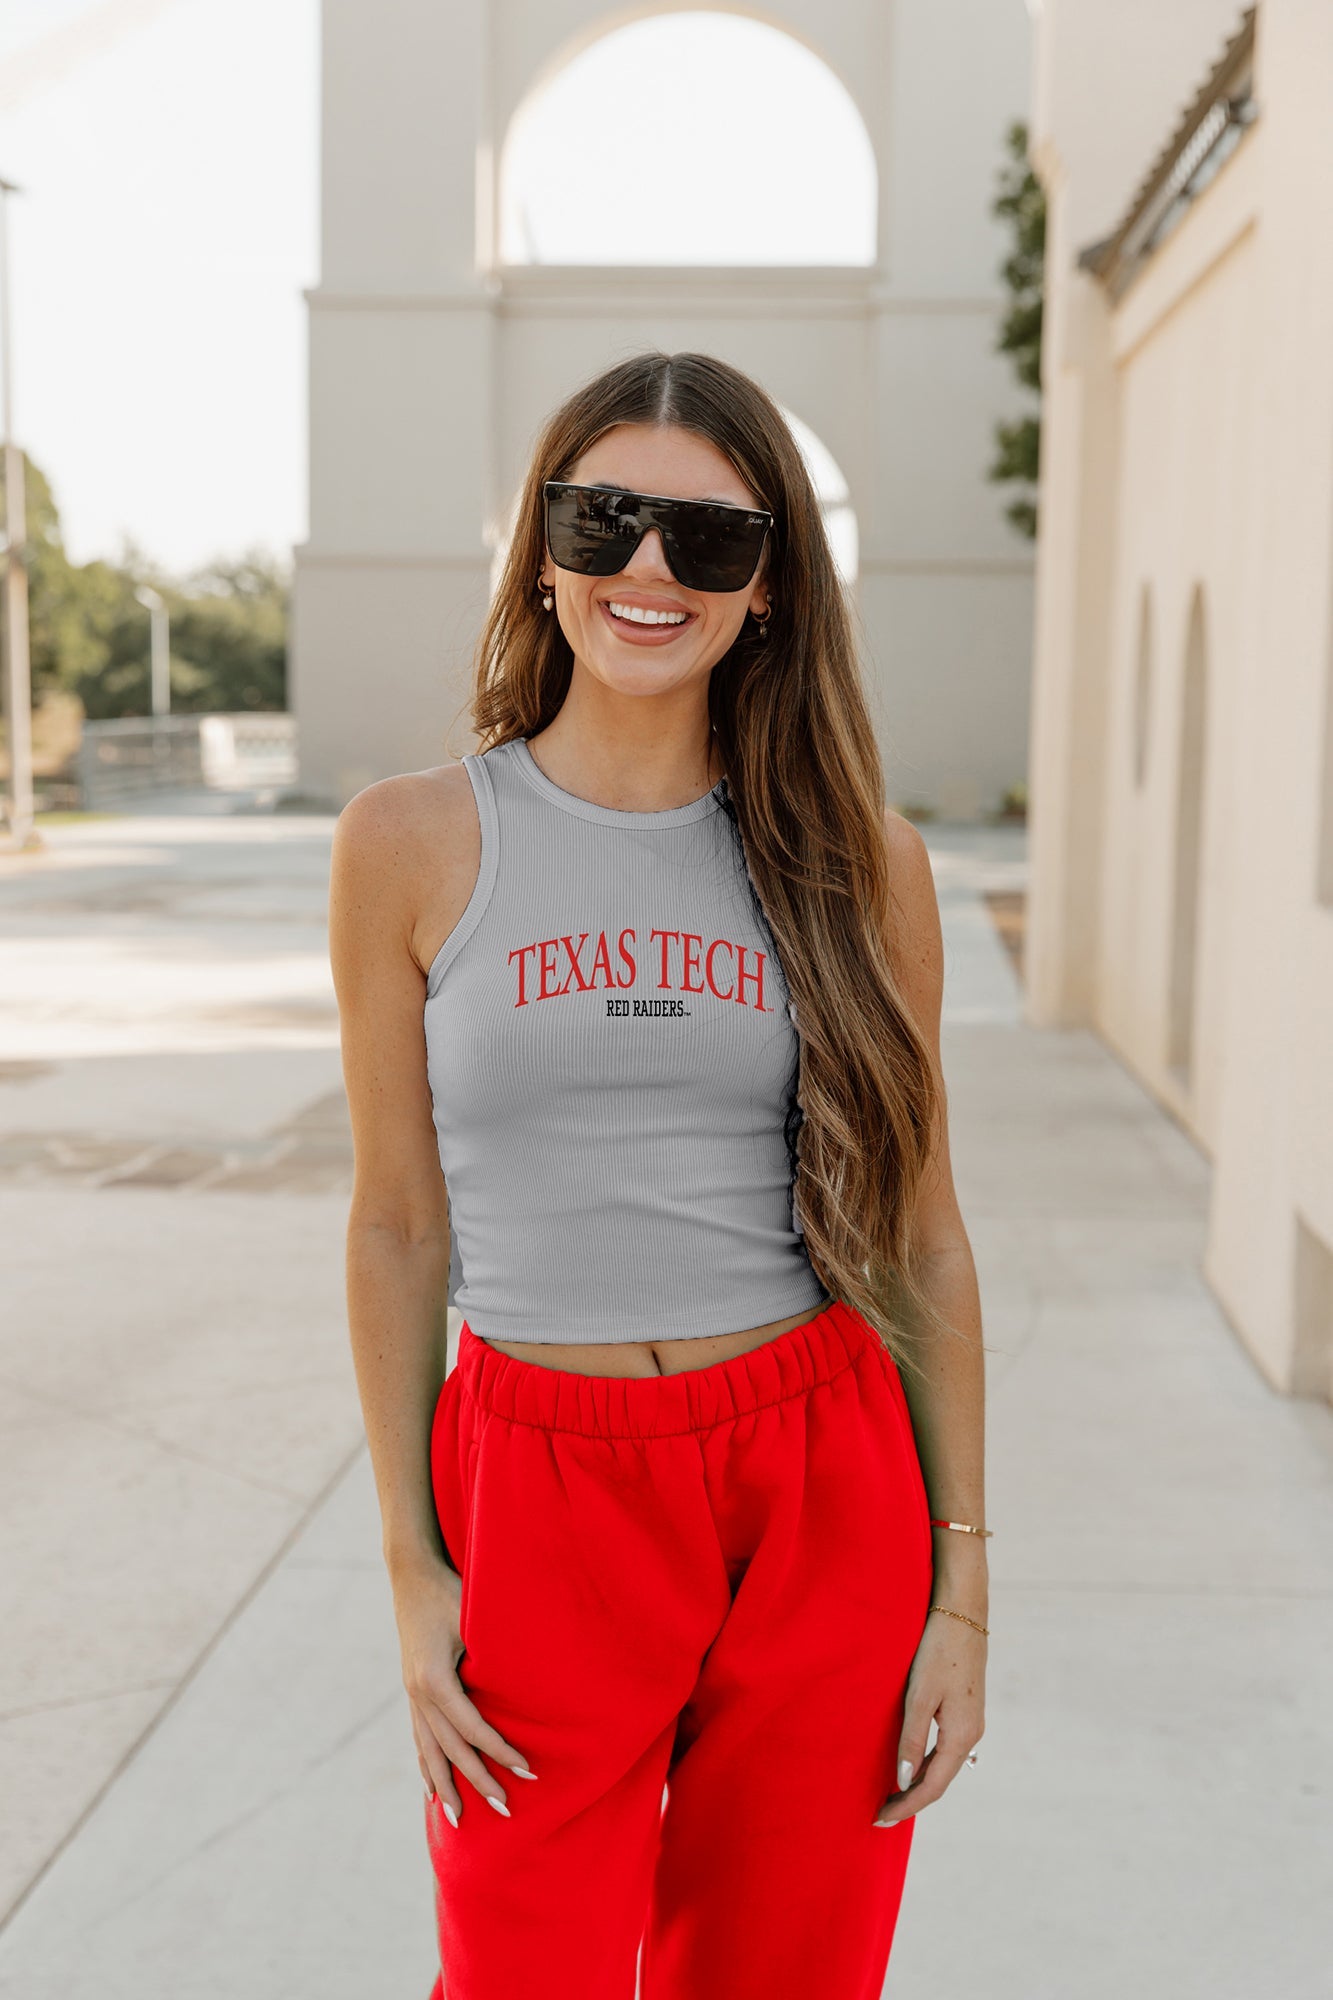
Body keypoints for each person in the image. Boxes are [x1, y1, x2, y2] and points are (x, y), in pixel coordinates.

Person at [328, 350, 989, 2000]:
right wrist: (415, 1574)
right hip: (537, 1482)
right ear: (541, 554)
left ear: (765, 591)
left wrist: (962, 1581)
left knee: (782, 1975)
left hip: (819, 1471)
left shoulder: (857, 859)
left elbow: (921, 1231)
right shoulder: (410, 841)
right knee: (520, 1971)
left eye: (708, 539)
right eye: (604, 519)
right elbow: (400, 1223)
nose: (647, 569)